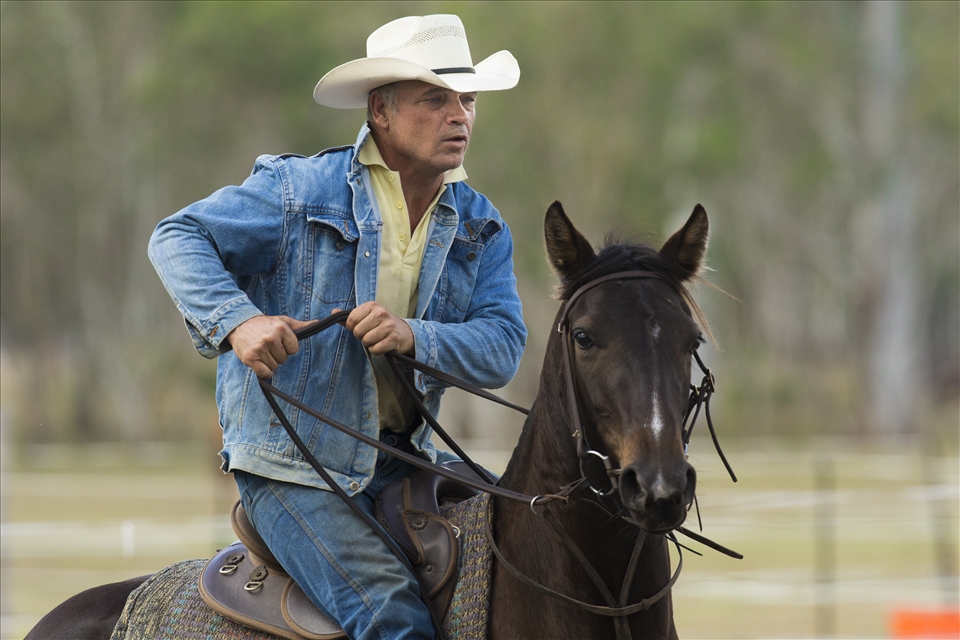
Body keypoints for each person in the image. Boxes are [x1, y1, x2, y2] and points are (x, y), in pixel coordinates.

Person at [148, 13, 526, 640]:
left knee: (528, 552)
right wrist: (240, 323)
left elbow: (504, 347)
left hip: (403, 460)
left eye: (467, 100)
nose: (459, 116)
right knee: (392, 616)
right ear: (381, 111)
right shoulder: (298, 191)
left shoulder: (482, 226)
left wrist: (414, 336)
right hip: (290, 467)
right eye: (435, 100)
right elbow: (177, 236)